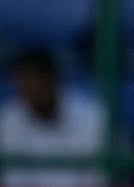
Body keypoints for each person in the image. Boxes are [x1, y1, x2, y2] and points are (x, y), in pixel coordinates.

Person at [0, 49, 108, 187]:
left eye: (37, 82)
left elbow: (101, 178)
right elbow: (12, 178)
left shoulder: (93, 117)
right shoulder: (8, 120)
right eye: (23, 83)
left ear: (53, 80)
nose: (31, 91)